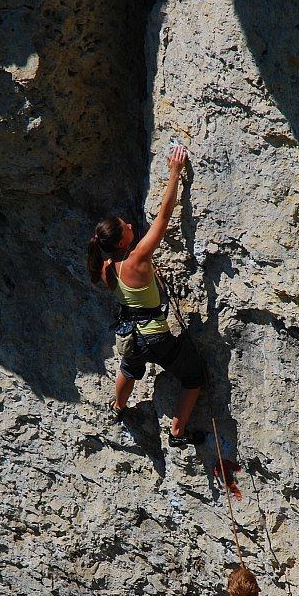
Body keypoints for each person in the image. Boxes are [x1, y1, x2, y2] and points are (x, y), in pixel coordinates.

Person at [86, 145, 204, 447]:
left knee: (129, 367)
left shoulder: (106, 270)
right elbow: (163, 219)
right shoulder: (138, 257)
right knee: (194, 377)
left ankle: (118, 407)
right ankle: (177, 433)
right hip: (154, 336)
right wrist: (175, 174)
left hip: (128, 335)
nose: (129, 224)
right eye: (126, 226)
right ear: (124, 238)